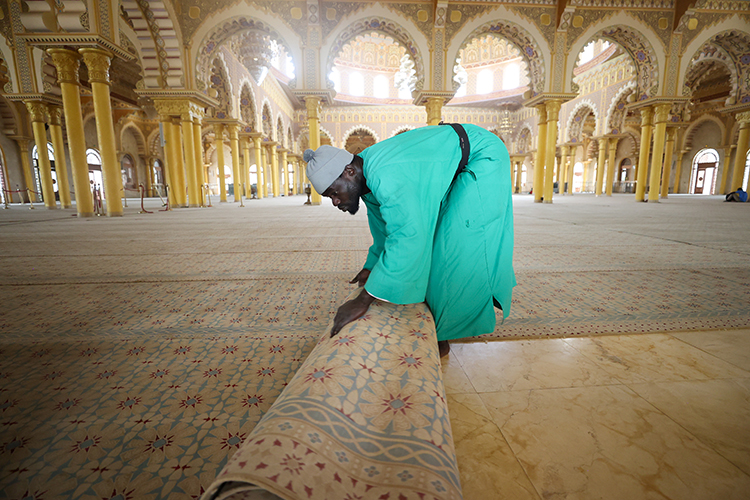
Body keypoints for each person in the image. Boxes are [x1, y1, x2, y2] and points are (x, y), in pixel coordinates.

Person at [304, 124, 515, 357]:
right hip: (462, 157)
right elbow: (385, 228)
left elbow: (408, 237)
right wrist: (371, 268)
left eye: (334, 193)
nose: (335, 202)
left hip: (481, 155)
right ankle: (440, 328)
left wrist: (363, 300)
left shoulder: (387, 174)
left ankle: (444, 333)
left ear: (349, 172)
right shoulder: (364, 171)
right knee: (430, 242)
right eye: (329, 197)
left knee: (450, 246)